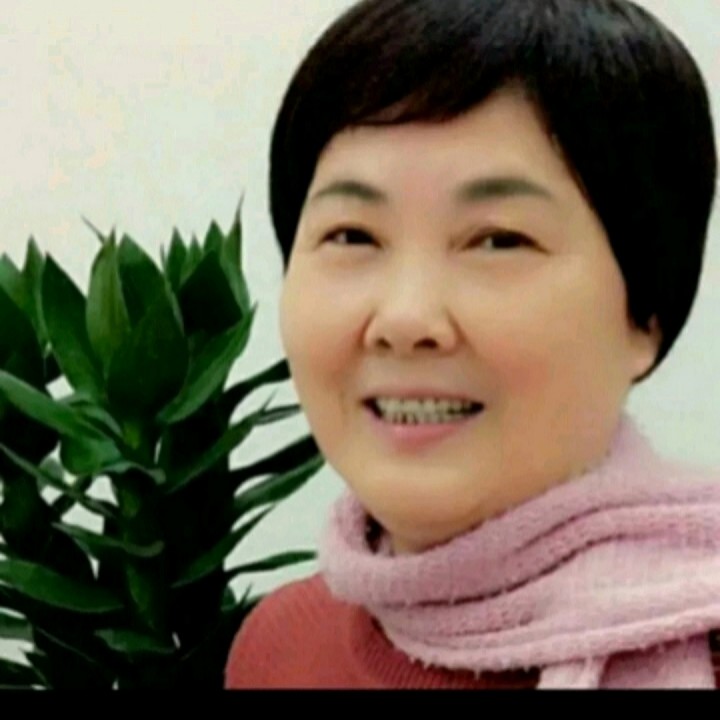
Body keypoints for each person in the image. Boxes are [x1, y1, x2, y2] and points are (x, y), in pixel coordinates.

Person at [225, 0, 720, 688]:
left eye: (498, 240)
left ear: (646, 315)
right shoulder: (279, 648)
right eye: (352, 235)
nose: (406, 318)